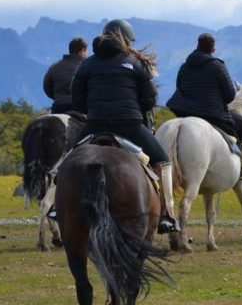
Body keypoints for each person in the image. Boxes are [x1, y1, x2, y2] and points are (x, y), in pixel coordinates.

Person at [69, 19, 178, 234]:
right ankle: (167, 216)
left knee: (66, 161)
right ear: (126, 40)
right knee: (163, 162)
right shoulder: (135, 63)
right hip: (130, 125)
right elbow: (149, 98)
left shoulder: (87, 63)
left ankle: (55, 206)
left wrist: (93, 110)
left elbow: (77, 98)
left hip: (95, 124)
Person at [166, 33, 242, 181]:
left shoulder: (185, 66)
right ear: (213, 49)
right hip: (211, 114)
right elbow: (230, 95)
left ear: (197, 46)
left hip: (184, 112)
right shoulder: (217, 66)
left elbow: (179, 87)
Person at [42, 37, 87, 114]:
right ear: (82, 51)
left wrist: (58, 97)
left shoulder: (54, 66)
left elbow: (47, 88)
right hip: (79, 108)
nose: (87, 54)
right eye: (86, 51)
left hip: (58, 107)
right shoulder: (86, 66)